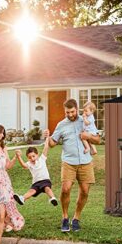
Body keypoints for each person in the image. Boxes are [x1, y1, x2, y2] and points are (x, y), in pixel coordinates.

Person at [43, 98, 100, 232]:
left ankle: (76, 218)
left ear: (77, 109)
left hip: (85, 162)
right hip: (68, 162)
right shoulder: (61, 125)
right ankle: (64, 217)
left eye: (72, 112)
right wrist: (48, 136)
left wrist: (88, 136)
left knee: (85, 191)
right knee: (65, 189)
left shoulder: (86, 120)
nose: (70, 115)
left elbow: (97, 139)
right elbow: (52, 143)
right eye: (67, 112)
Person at [13, 137, 58, 206]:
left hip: (45, 180)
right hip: (36, 183)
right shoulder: (29, 164)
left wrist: (47, 138)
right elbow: (24, 165)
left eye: (33, 156)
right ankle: (22, 198)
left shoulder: (42, 159)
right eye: (30, 157)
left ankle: (52, 198)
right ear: (28, 158)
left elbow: (46, 148)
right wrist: (18, 156)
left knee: (47, 188)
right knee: (31, 191)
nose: (32, 158)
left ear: (37, 154)